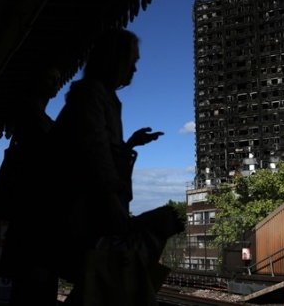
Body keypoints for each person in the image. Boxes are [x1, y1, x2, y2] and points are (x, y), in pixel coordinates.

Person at [44, 27, 183, 305]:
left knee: (96, 280)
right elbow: (92, 149)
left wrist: (129, 143)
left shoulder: (98, 95)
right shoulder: (93, 93)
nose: (134, 68)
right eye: (132, 60)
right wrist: (111, 201)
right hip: (86, 208)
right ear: (115, 60)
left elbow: (96, 145)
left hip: (87, 206)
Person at [0, 64, 62, 306]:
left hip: (31, 216)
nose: (56, 83)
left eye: (57, 78)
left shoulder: (36, 117)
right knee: (34, 289)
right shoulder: (33, 117)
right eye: (50, 77)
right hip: (35, 216)